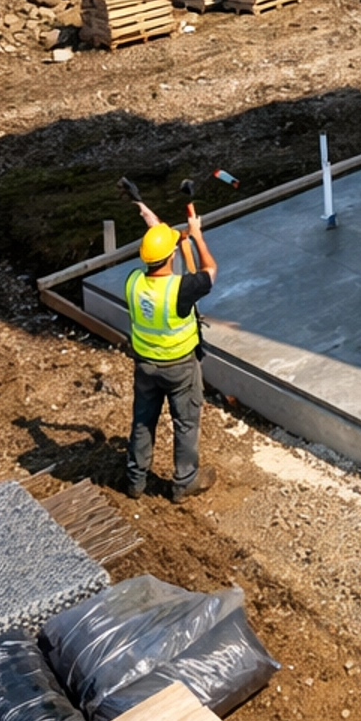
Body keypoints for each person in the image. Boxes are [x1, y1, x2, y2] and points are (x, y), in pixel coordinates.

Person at [123, 198, 217, 502]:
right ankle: (183, 482)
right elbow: (210, 270)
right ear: (171, 255)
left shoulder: (133, 282)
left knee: (143, 421)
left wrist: (153, 223)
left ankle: (135, 480)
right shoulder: (181, 290)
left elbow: (157, 255)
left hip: (145, 366)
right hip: (180, 368)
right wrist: (197, 235)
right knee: (185, 423)